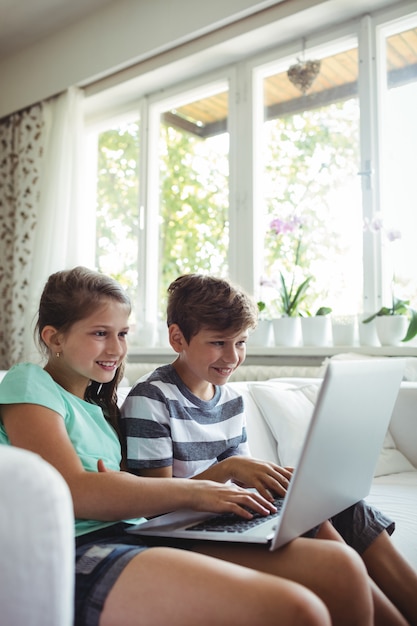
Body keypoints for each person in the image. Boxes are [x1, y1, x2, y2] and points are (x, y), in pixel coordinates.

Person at [0, 266, 379, 626]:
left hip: (134, 535)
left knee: (340, 567)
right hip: (82, 546)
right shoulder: (29, 383)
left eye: (123, 333)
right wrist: (196, 491)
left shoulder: (99, 410)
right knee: (299, 611)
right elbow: (73, 491)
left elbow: (119, 493)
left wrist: (117, 488)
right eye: (100, 333)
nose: (116, 348)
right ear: (54, 338)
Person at [121, 273, 417, 626]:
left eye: (241, 342)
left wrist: (290, 489)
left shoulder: (230, 399)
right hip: (179, 534)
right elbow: (154, 505)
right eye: (218, 342)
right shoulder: (151, 399)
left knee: (343, 505)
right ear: (177, 338)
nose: (232, 356)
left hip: (224, 515)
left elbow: (241, 481)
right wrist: (228, 472)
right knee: (319, 528)